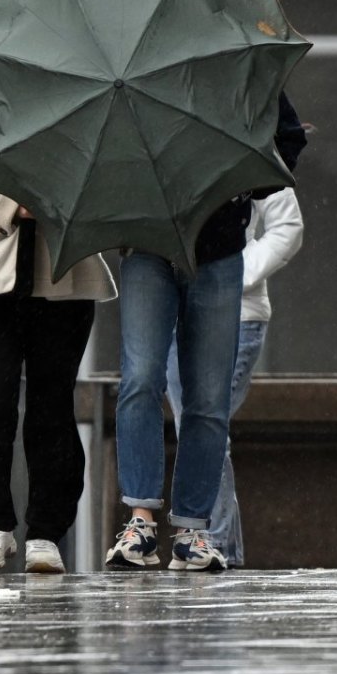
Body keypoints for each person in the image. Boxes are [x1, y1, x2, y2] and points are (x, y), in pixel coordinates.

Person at [105, 92, 306, 572]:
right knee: (142, 378)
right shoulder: (135, 75)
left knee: (208, 398)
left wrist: (241, 181)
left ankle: (192, 530)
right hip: (148, 244)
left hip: (218, 249)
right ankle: (140, 520)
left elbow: (288, 140)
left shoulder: (235, 72)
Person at [0, 108, 118, 574]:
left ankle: (45, 533)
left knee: (52, 408)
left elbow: (115, 197)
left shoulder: (92, 120)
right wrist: (12, 206)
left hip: (65, 284)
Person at [164, 186, 305, 568]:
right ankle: (214, 545)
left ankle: (215, 544)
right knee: (195, 424)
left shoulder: (244, 139)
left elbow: (287, 226)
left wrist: (232, 273)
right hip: (177, 308)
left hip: (238, 313)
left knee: (204, 424)